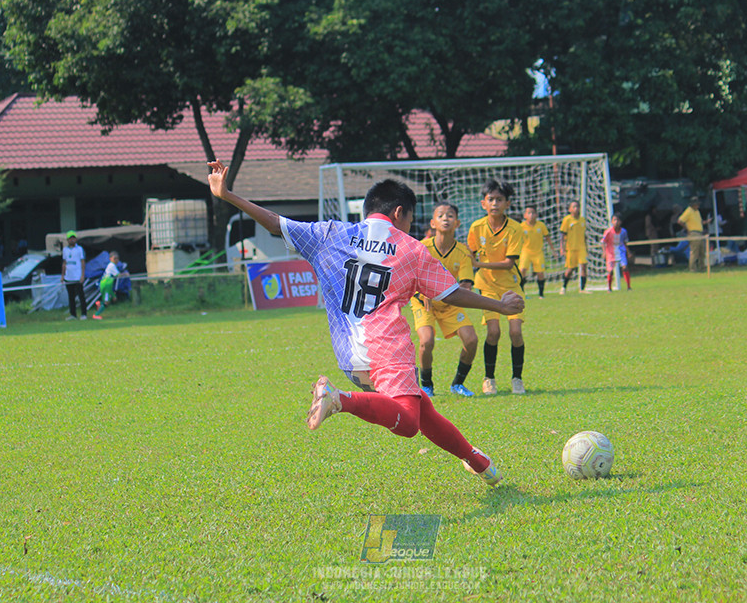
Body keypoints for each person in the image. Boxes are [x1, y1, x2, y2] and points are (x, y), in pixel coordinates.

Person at [207, 160, 524, 486]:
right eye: (411, 219)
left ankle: (478, 461)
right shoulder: (411, 250)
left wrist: (228, 195)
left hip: (348, 353)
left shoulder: (332, 233)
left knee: (421, 406)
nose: (410, 225)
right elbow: (452, 294)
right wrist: (499, 305)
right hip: (387, 348)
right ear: (399, 212)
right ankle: (339, 399)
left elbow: (275, 223)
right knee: (410, 423)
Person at [410, 203, 478, 398]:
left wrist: (459, 293)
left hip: (450, 302)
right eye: (441, 215)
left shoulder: (462, 252)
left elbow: (465, 285)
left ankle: (457, 384)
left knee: (471, 340)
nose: (446, 218)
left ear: (457, 223)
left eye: (450, 216)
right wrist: (423, 295)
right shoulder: (422, 248)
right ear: (433, 223)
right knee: (427, 341)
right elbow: (410, 279)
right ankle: (427, 386)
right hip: (423, 301)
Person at [467, 179, 527, 396]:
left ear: (507, 204)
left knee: (516, 332)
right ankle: (489, 379)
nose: (495, 203)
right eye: (491, 199)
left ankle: (517, 379)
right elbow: (469, 255)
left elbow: (509, 263)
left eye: (499, 199)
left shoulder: (515, 228)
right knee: (493, 332)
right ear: (484, 203)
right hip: (487, 288)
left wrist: (478, 264)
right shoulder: (476, 227)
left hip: (511, 287)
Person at [518, 206, 551, 298]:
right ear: (525, 215)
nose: (531, 215)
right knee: (522, 270)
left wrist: (553, 249)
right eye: (529, 213)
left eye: (533, 213)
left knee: (540, 273)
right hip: (526, 251)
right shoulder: (521, 226)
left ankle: (541, 294)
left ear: (536, 215)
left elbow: (547, 237)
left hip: (538, 252)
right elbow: (517, 239)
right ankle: (522, 293)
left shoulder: (541, 225)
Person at [559, 200, 588, 294]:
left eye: (577, 206)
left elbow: (584, 235)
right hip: (571, 248)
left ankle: (582, 289)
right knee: (570, 270)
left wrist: (586, 247)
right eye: (574, 206)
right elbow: (562, 235)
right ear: (570, 209)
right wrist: (562, 248)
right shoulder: (567, 220)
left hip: (581, 247)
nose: (576, 208)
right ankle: (563, 287)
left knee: (583, 266)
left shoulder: (582, 219)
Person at [677, 197, 711, 272]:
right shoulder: (688, 211)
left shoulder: (697, 212)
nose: (698, 206)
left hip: (700, 233)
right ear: (693, 204)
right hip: (693, 233)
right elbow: (680, 221)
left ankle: (702, 267)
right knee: (694, 252)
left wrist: (706, 222)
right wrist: (687, 229)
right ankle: (692, 268)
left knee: (702, 252)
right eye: (697, 204)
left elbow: (700, 222)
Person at [93, 251, 129, 319]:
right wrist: (125, 274)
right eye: (114, 258)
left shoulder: (112, 265)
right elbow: (118, 275)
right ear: (110, 259)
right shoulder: (111, 265)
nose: (116, 260)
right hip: (106, 284)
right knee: (106, 301)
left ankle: (99, 305)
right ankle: (96, 314)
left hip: (108, 284)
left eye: (117, 258)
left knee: (109, 300)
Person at [61, 231, 88, 320]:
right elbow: (64, 263)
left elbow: (82, 262)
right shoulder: (65, 250)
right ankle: (73, 314)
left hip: (77, 276)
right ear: (68, 240)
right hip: (69, 277)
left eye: (73, 238)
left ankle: (84, 314)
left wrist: (82, 275)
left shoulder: (79, 249)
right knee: (71, 296)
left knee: (81, 295)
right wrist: (63, 276)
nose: (72, 240)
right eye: (70, 238)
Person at [601, 214, 632, 291]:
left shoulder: (623, 232)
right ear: (611, 221)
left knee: (625, 268)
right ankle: (609, 288)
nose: (616, 222)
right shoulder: (608, 232)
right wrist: (604, 252)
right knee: (610, 271)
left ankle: (628, 286)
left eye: (618, 220)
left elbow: (625, 242)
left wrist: (628, 252)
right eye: (614, 220)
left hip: (621, 251)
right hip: (611, 253)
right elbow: (603, 242)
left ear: (620, 222)